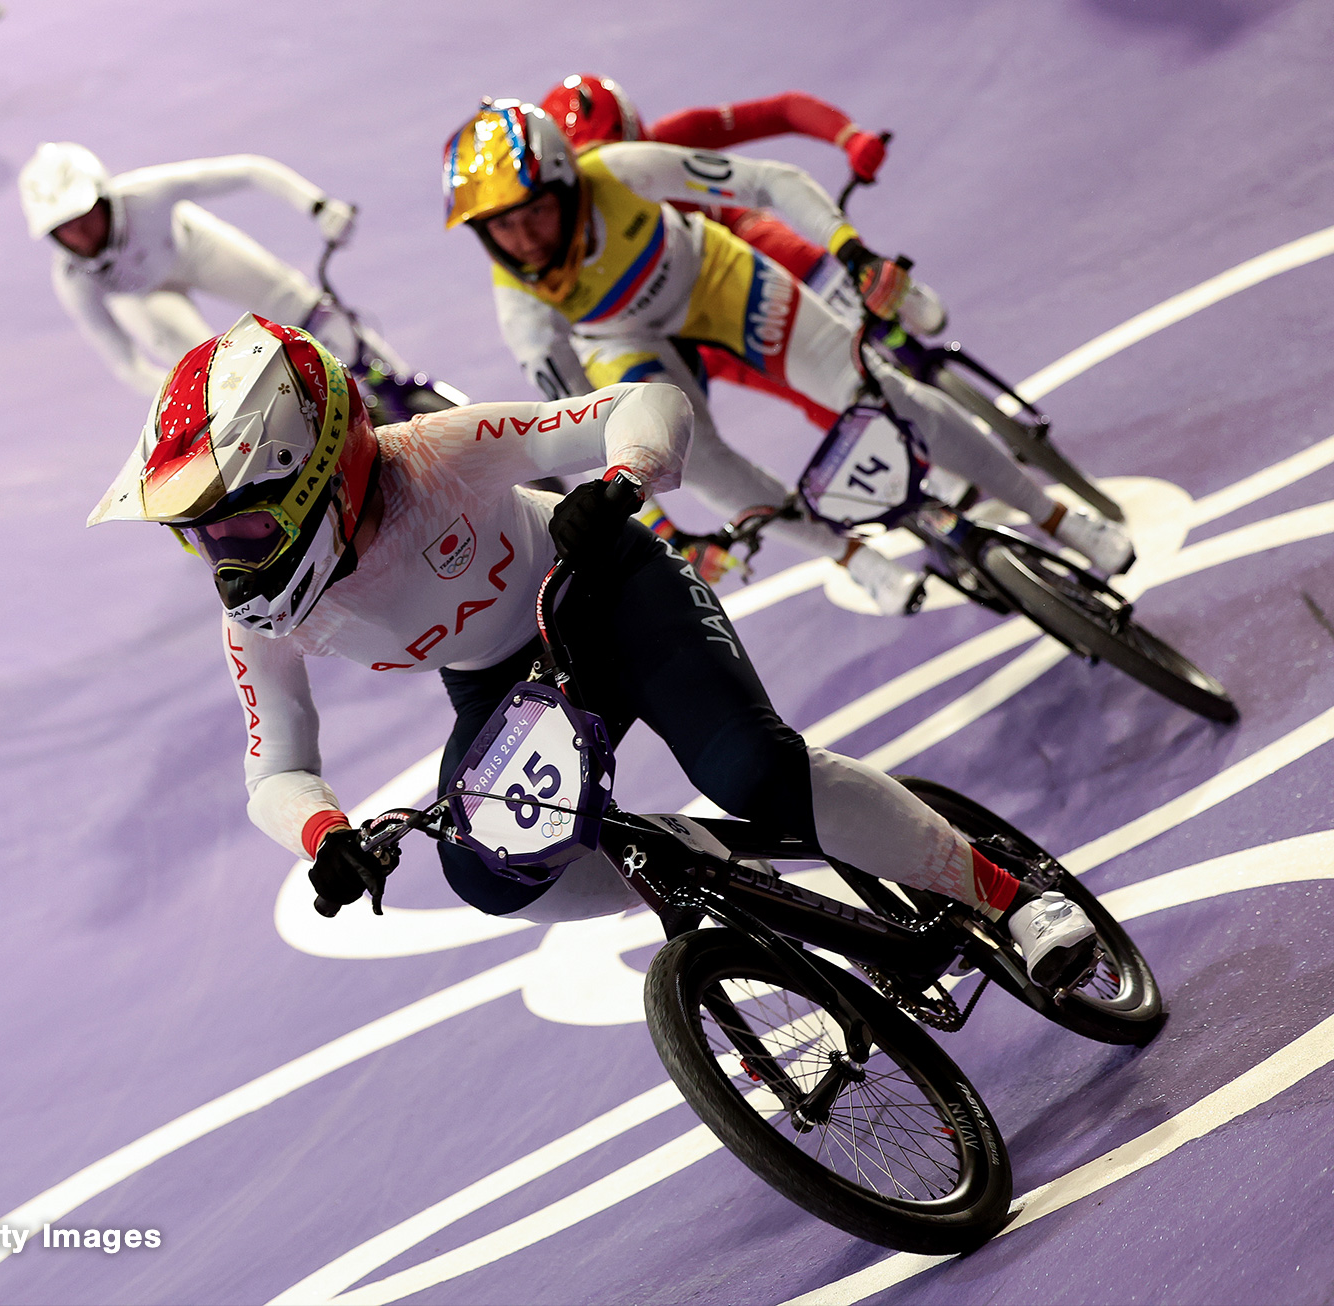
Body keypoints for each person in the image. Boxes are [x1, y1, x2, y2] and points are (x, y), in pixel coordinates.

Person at [86, 311, 1098, 985]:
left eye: (238, 527)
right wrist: (324, 835)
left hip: (610, 587)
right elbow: (276, 767)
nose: (223, 559)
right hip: (508, 677)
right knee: (484, 873)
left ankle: (1012, 900)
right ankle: (695, 866)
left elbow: (639, 409)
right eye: (200, 534)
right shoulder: (258, 614)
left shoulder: (437, 454)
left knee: (751, 767)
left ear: (311, 479)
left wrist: (622, 482)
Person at [443, 100, 1133, 616]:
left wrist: (852, 253)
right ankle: (854, 557)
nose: (523, 237)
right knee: (695, 462)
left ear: (567, 183)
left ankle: (1059, 519)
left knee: (886, 396)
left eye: (532, 211)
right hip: (625, 342)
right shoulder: (524, 316)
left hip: (711, 280)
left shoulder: (618, 170)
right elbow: (585, 427)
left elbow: (767, 181)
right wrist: (664, 526)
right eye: (500, 225)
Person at [541, 74, 938, 433]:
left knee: (773, 245)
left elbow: (782, 110)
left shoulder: (671, 141)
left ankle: (882, 294)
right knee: (812, 392)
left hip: (743, 243)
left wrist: (849, 136)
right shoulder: (558, 241)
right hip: (694, 310)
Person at [19, 142, 403, 398]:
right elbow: (126, 364)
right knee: (216, 378)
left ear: (104, 196)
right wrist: (182, 401)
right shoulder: (73, 281)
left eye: (82, 214)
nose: (77, 233)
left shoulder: (146, 194)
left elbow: (249, 170)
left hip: (195, 249)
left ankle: (402, 383)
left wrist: (318, 206)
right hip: (148, 298)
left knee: (306, 310)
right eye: (61, 227)